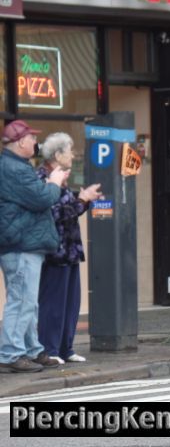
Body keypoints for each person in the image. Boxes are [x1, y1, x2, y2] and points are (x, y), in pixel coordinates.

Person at [0, 120, 67, 373]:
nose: (35, 143)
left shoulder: (14, 166)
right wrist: (54, 182)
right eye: (31, 139)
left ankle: (31, 349)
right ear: (20, 143)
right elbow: (42, 198)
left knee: (28, 300)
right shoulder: (14, 169)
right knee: (21, 300)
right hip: (21, 245)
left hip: (21, 243)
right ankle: (10, 354)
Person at [36, 133, 103, 365]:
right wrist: (81, 200)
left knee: (71, 302)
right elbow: (55, 214)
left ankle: (66, 348)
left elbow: (68, 211)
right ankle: (49, 348)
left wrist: (83, 199)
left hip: (69, 250)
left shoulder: (62, 178)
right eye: (69, 150)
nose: (73, 155)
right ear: (57, 155)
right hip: (55, 251)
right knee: (53, 303)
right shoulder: (44, 178)